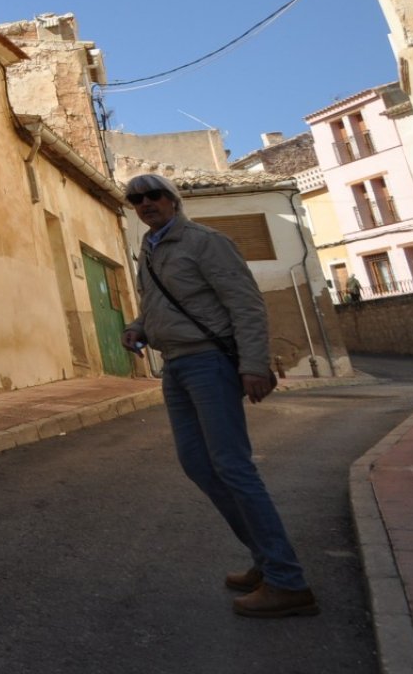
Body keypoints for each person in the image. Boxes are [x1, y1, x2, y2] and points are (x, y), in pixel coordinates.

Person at [119, 173, 318, 619]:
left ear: (174, 200)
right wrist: (138, 326)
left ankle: (287, 580)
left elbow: (245, 303)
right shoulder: (150, 248)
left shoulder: (206, 242)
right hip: (177, 366)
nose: (145, 203)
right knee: (196, 464)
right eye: (137, 199)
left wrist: (252, 364)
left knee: (232, 467)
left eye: (154, 196)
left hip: (211, 362)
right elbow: (156, 304)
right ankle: (267, 560)